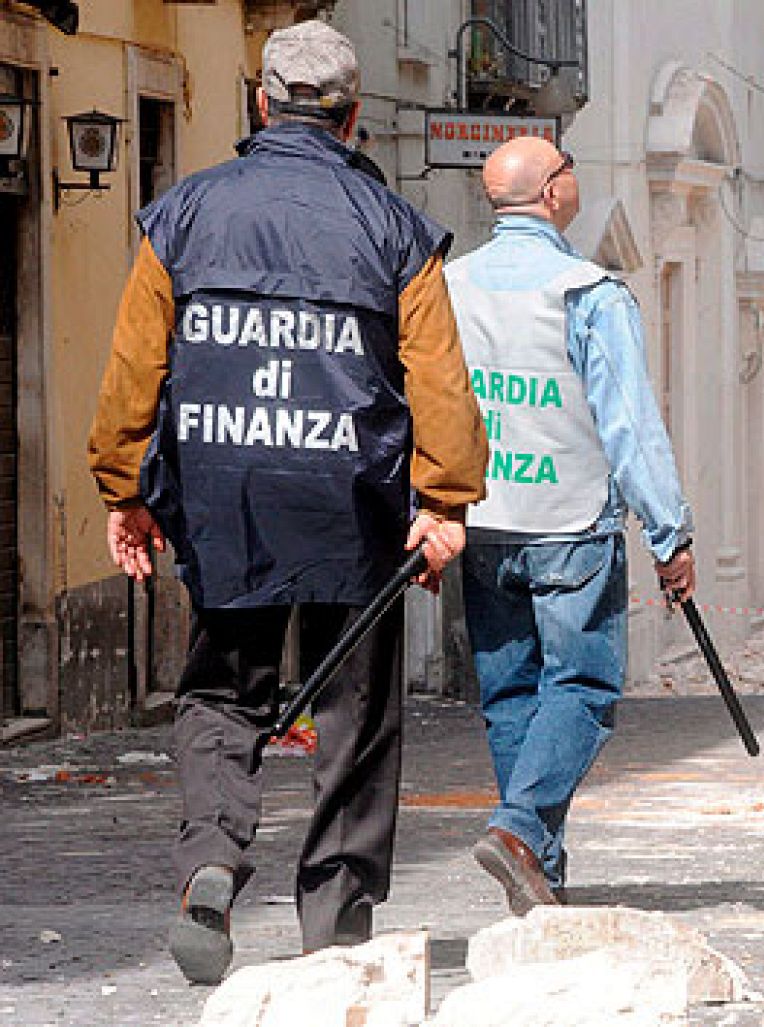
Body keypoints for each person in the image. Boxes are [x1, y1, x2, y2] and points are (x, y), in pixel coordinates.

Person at [86, 20, 488, 984]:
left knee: (223, 690)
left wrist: (126, 487)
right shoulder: (393, 228)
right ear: (352, 119)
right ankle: (336, 918)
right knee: (355, 707)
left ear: (261, 104)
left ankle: (212, 862)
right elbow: (436, 378)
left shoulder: (181, 214)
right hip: (355, 493)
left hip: (227, 490)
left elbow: (136, 366)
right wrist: (443, 500)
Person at [449, 136, 695, 912]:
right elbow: (629, 425)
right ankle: (522, 829)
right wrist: (670, 533)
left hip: (482, 518)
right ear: (553, 192)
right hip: (569, 521)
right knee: (582, 685)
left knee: (512, 690)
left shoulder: (450, 287)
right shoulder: (587, 290)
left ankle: (536, 867)